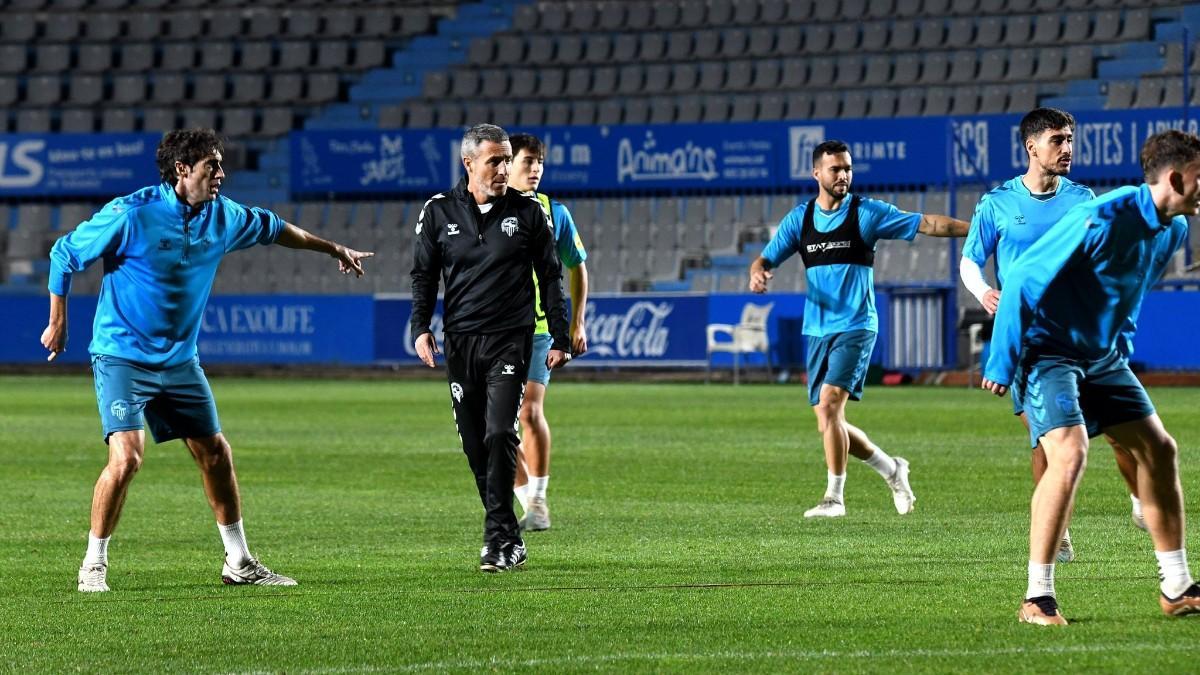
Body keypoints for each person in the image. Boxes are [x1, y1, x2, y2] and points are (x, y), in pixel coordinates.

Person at [41, 128, 373, 592]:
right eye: (211, 165)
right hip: (122, 355)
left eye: (220, 164)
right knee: (128, 458)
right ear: (182, 170)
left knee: (216, 453)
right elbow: (64, 254)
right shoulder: (131, 214)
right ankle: (93, 563)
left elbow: (279, 229)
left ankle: (238, 561)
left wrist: (333, 248)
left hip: (179, 361)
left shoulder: (225, 215)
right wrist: (59, 321)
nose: (221, 173)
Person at [983, 129, 1200, 625]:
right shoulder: (1102, 216)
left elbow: (1129, 290)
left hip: (1101, 357)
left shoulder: (1175, 229)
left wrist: (1117, 346)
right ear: (1174, 177)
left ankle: (1177, 585)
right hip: (1047, 351)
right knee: (1071, 451)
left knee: (1159, 448)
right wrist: (1001, 360)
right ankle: (1037, 596)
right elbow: (1021, 276)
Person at [960, 108, 1145, 565]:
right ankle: (1056, 532)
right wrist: (984, 290)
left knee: (1121, 433)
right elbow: (969, 260)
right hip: (1031, 342)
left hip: (1081, 337)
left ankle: (1141, 503)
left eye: (1070, 140)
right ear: (1032, 147)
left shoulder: (1083, 198)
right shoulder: (998, 203)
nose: (1067, 148)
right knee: (1049, 439)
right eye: (1058, 140)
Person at [748, 139, 969, 518]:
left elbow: (929, 223)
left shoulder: (866, 214)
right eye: (836, 169)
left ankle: (834, 498)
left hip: (856, 326)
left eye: (848, 168)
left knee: (831, 403)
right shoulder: (800, 220)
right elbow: (766, 257)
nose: (844, 175)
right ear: (816, 173)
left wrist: (981, 228)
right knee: (829, 422)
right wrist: (758, 270)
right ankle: (891, 468)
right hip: (817, 330)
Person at [410, 123, 572, 572]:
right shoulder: (438, 211)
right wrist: (421, 326)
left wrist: (560, 335)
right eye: (494, 161)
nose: (503, 169)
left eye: (506, 160)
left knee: (501, 431)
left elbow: (551, 277)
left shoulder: (529, 213)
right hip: (460, 342)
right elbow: (424, 274)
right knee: (475, 445)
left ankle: (497, 540)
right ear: (469, 164)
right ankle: (507, 534)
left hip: (510, 339)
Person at [505, 133, 589, 532]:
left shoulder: (555, 212)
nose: (535, 168)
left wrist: (576, 322)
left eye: (539, 162)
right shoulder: (487, 209)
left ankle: (538, 501)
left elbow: (578, 265)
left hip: (539, 327)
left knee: (529, 410)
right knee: (496, 425)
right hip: (496, 329)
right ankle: (529, 503)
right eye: (528, 161)